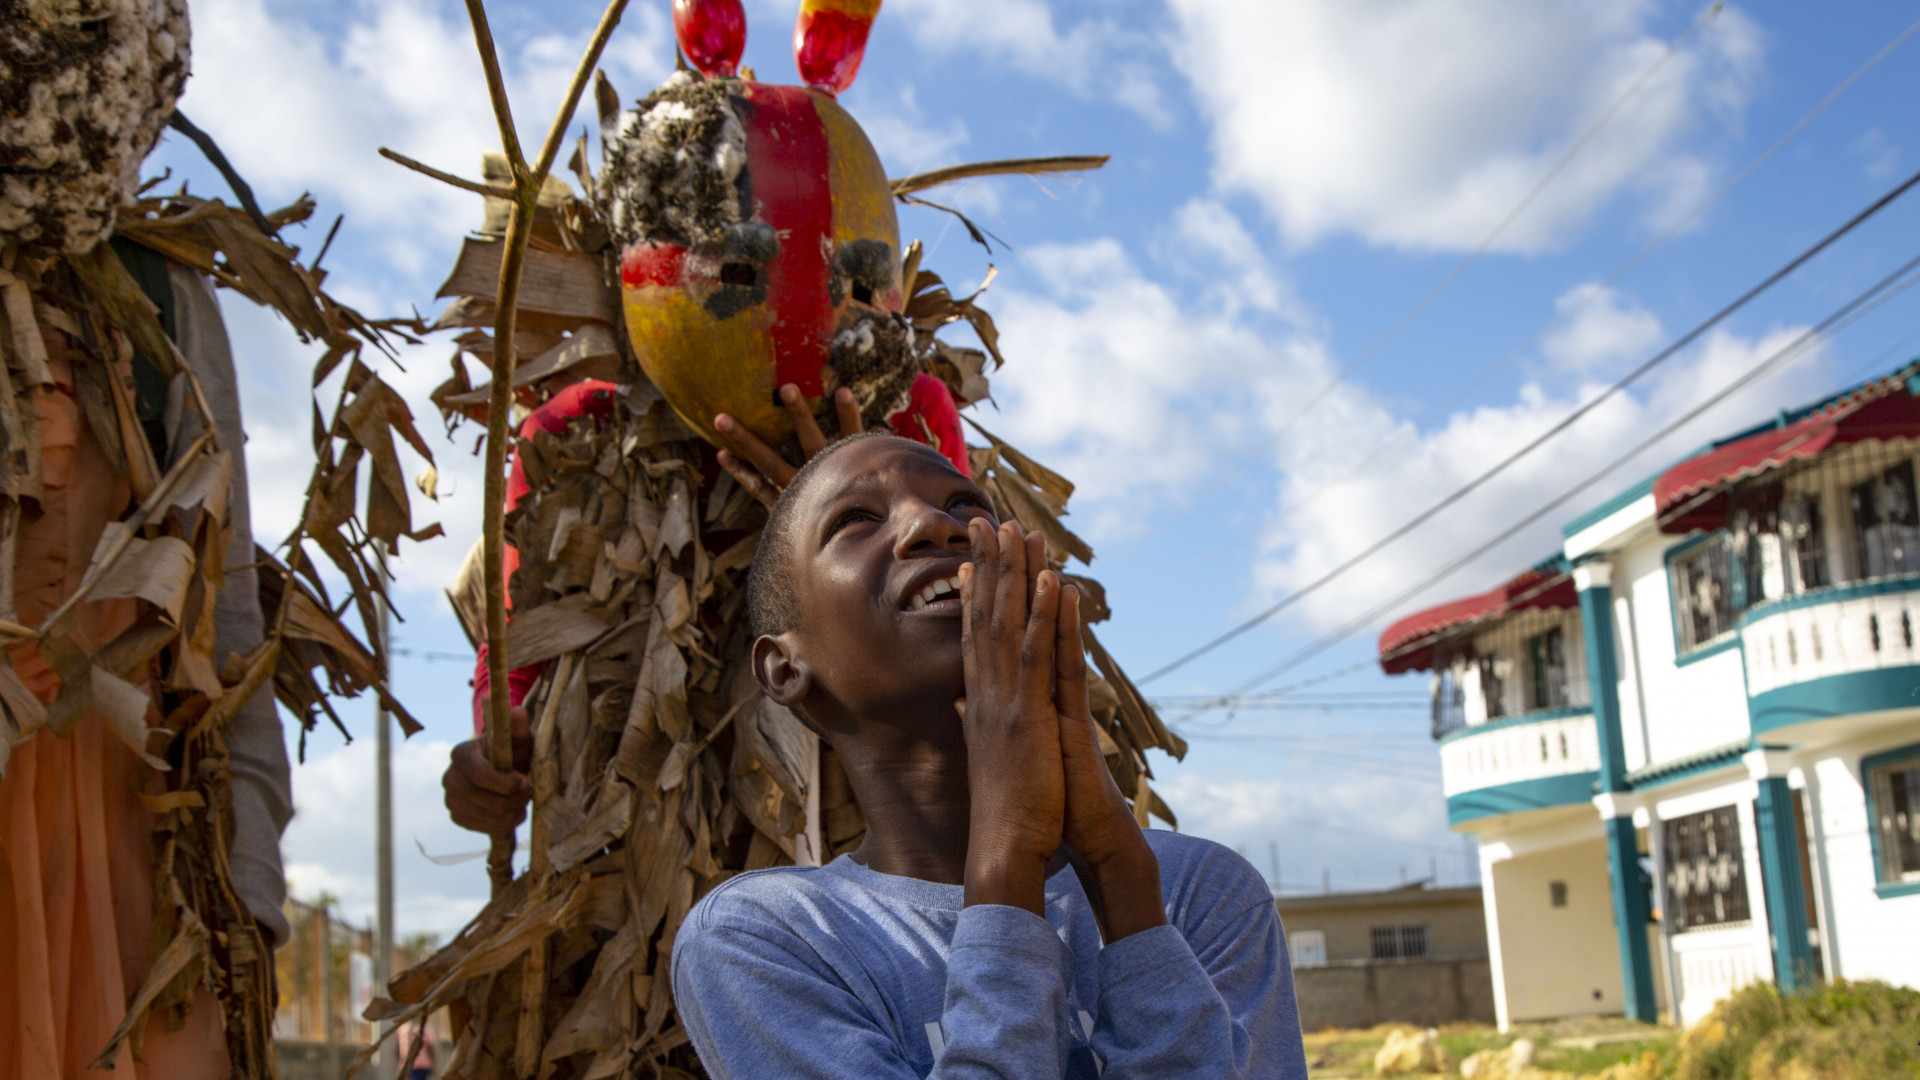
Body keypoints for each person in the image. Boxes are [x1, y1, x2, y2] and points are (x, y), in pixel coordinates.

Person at [667, 430, 1308, 1078]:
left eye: (966, 507)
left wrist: (1124, 882)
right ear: (784, 668)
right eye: (855, 520)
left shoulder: (1197, 891)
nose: (935, 526)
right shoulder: (767, 939)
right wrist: (1008, 860)